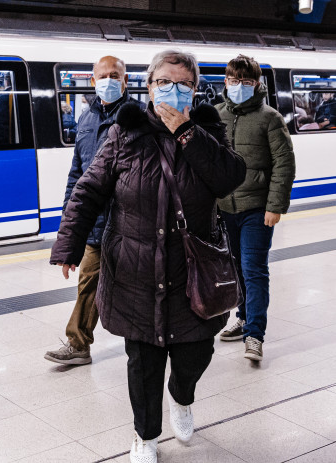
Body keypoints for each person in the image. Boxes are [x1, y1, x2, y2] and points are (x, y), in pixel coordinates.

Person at [50, 50, 246, 463]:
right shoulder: (125, 133)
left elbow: (229, 178)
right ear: (149, 85)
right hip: (134, 270)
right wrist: (69, 243)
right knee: (143, 363)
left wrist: (189, 133)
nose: (173, 91)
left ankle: (182, 395)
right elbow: (88, 189)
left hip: (193, 271)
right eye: (164, 82)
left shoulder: (209, 129)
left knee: (197, 353)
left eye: (183, 84)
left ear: (194, 90)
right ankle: (146, 435)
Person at [44, 55, 144, 367]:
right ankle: (78, 344)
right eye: (103, 76)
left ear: (126, 80)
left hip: (130, 223)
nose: (109, 81)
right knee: (88, 281)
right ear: (92, 80)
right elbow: (77, 176)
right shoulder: (86, 119)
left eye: (115, 75)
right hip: (96, 224)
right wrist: (68, 226)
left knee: (137, 288)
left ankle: (147, 346)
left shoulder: (138, 116)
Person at [216, 55, 296, 362]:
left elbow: (284, 164)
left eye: (245, 82)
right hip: (224, 209)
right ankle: (243, 317)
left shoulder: (270, 118)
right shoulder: (215, 115)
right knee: (235, 270)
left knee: (253, 269)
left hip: (256, 208)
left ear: (257, 85)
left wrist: (275, 206)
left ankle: (254, 334)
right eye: (233, 81)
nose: (238, 86)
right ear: (225, 81)